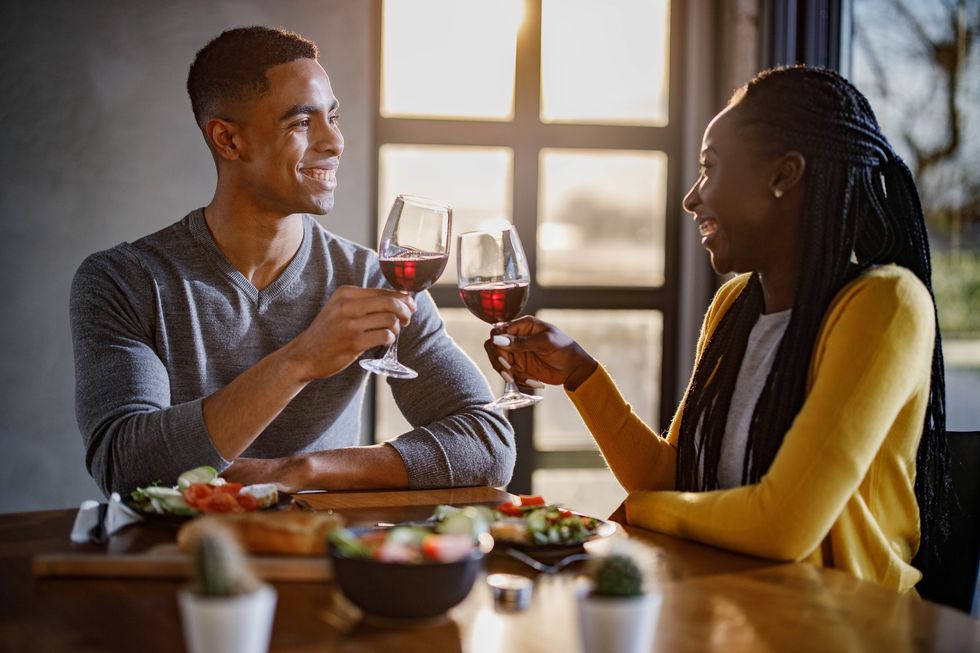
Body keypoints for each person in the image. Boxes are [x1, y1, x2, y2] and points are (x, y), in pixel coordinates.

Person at [487, 65, 949, 592]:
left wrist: (644, 511)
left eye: (709, 169)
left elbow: (783, 527)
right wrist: (580, 373)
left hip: (846, 626)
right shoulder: (735, 306)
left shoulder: (886, 305)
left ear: (783, 175)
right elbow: (672, 481)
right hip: (735, 605)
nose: (692, 198)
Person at [70, 26, 514, 496]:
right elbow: (124, 465)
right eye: (302, 123)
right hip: (181, 558)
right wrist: (301, 360)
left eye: (333, 118)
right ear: (228, 140)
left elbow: (489, 446)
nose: (334, 143)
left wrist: (305, 470)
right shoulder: (123, 281)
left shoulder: (373, 281)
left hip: (329, 557)